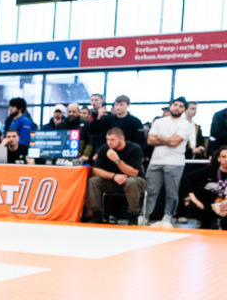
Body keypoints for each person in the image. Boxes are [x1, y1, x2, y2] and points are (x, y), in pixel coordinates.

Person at [143, 97, 192, 226]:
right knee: (151, 191)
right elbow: (150, 141)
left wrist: (159, 137)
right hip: (156, 161)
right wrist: (167, 139)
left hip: (174, 162)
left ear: (184, 109)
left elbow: (175, 143)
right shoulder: (159, 122)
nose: (177, 107)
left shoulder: (185, 124)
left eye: (181, 106)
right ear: (170, 106)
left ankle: (168, 217)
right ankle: (145, 216)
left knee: (172, 192)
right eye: (175, 105)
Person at [85, 128, 146, 223]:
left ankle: (133, 217)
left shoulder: (134, 148)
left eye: (112, 139)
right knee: (94, 181)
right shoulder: (104, 148)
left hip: (134, 180)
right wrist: (114, 176)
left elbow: (134, 173)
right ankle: (97, 215)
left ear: (122, 138)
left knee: (131, 182)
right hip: (113, 180)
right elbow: (96, 170)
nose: (109, 142)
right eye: (107, 139)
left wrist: (117, 160)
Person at [182, 146, 227, 229]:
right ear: (218, 159)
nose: (226, 160)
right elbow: (186, 178)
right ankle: (207, 224)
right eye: (223, 157)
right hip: (208, 205)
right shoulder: (210, 170)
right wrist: (193, 198)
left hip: (225, 204)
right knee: (192, 205)